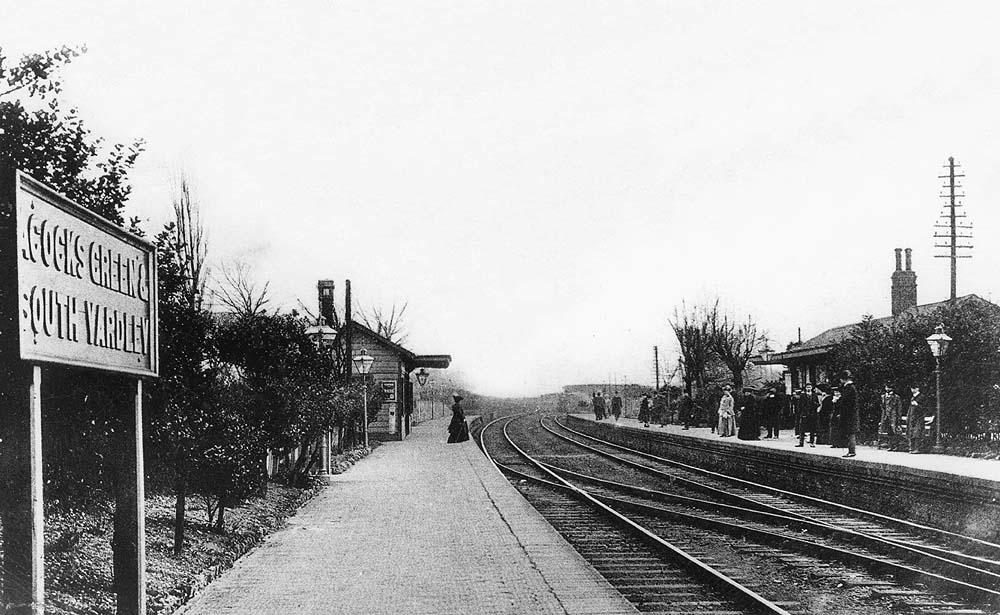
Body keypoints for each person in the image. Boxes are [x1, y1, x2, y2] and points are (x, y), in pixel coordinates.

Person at [839, 370, 859, 457]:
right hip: (851, 414)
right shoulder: (852, 388)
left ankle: (851, 451)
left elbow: (846, 402)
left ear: (843, 379)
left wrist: (838, 400)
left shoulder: (848, 388)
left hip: (849, 415)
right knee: (850, 433)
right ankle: (851, 451)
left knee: (850, 433)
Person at [878, 384, 902, 450]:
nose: (887, 388)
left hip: (894, 416)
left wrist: (899, 417)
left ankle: (896, 446)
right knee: (889, 431)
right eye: (886, 387)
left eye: (888, 387)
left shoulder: (896, 397)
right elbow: (883, 407)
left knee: (895, 431)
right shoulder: (883, 396)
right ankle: (890, 445)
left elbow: (899, 408)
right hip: (886, 416)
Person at [795, 383, 818, 447]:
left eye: (809, 387)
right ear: (805, 388)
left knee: (812, 429)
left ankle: (812, 442)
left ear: (812, 388)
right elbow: (799, 405)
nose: (808, 388)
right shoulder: (802, 396)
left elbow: (818, 404)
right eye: (807, 387)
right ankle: (801, 443)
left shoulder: (814, 395)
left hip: (812, 414)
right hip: (804, 414)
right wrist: (801, 413)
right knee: (802, 429)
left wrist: (815, 404)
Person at [907, 385, 924, 453]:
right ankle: (911, 448)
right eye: (911, 388)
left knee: (917, 433)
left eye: (913, 388)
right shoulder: (913, 397)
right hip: (912, 417)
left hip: (918, 418)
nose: (912, 390)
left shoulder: (922, 397)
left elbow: (925, 408)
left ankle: (917, 449)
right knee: (911, 432)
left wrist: (917, 405)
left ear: (917, 388)